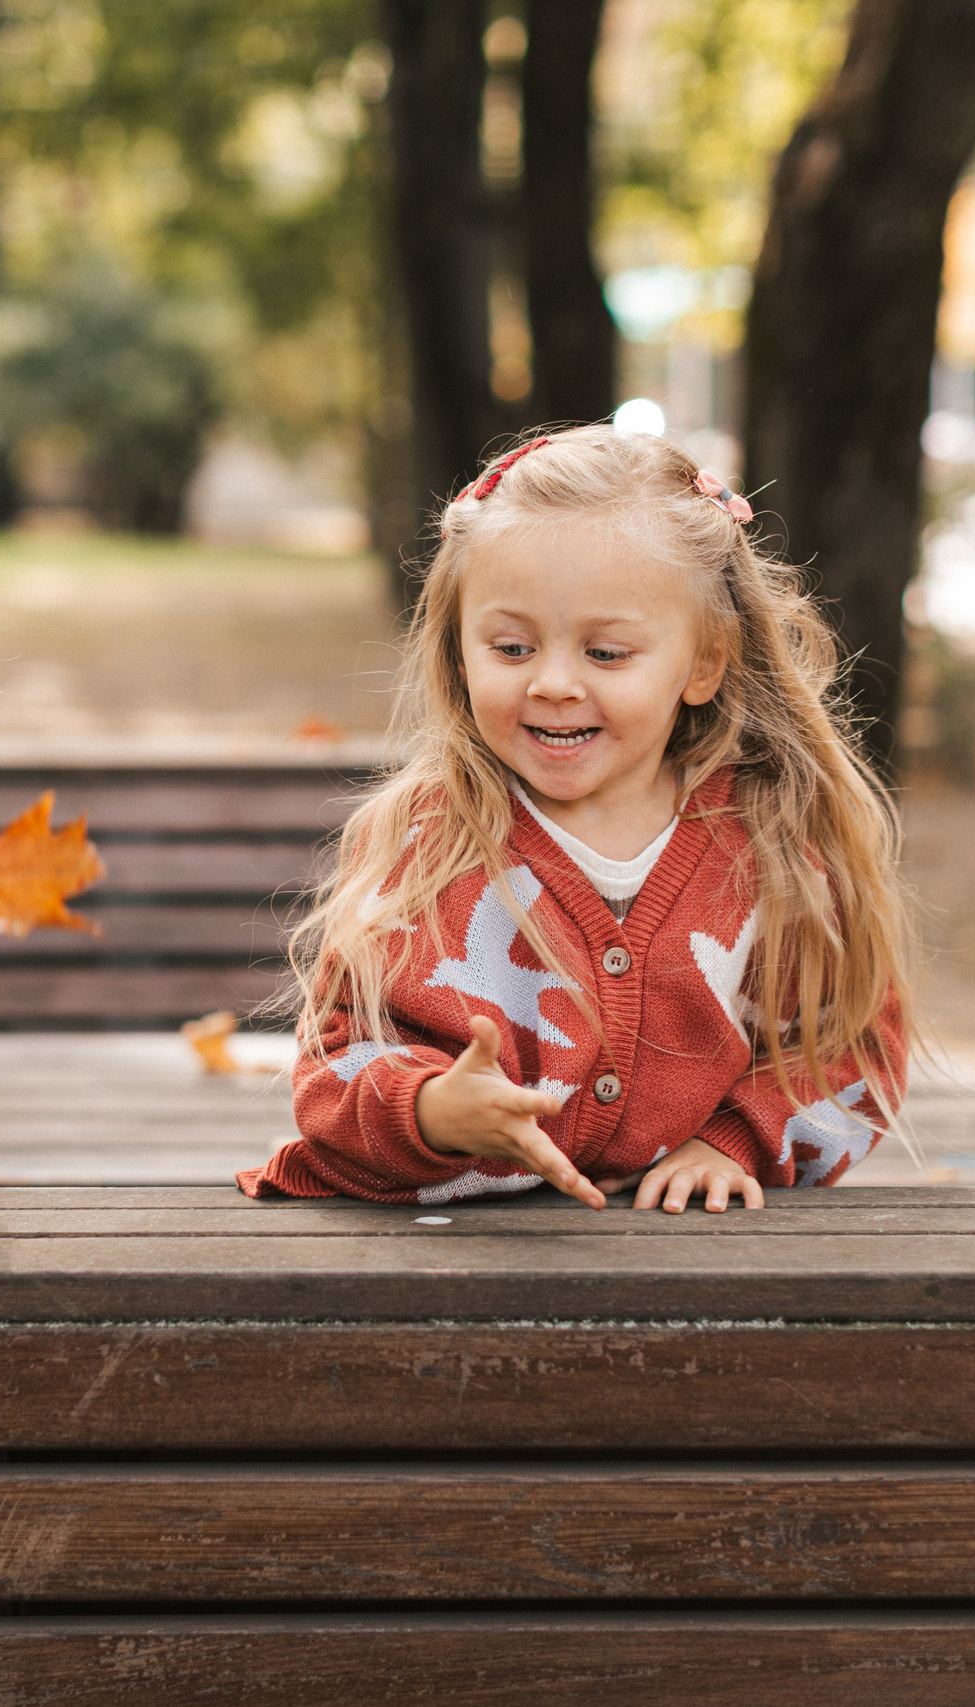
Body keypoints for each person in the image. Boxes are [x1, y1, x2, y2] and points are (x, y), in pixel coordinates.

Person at [241, 424, 910, 1214]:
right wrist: (430, 1110)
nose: (554, 682)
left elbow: (855, 1051)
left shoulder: (766, 844)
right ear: (460, 650)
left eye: (607, 653)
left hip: (688, 1265)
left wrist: (734, 1140)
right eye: (513, 647)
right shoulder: (428, 841)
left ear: (703, 661)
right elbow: (333, 1069)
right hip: (444, 1266)